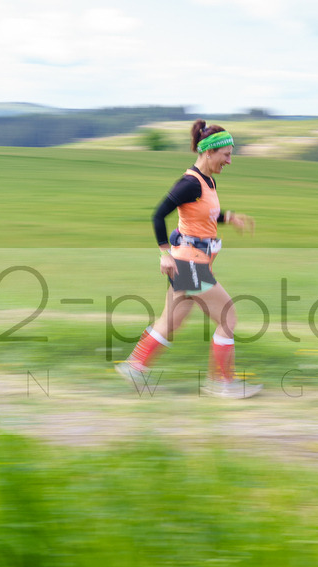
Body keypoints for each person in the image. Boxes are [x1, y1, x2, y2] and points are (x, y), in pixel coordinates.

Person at [116, 119, 263, 399]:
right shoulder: (189, 183)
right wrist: (163, 253)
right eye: (227, 155)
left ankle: (135, 366)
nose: (230, 161)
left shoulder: (208, 181)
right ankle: (222, 383)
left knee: (172, 320)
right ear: (209, 152)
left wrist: (230, 217)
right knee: (228, 316)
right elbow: (158, 215)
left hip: (192, 261)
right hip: (189, 263)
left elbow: (204, 213)